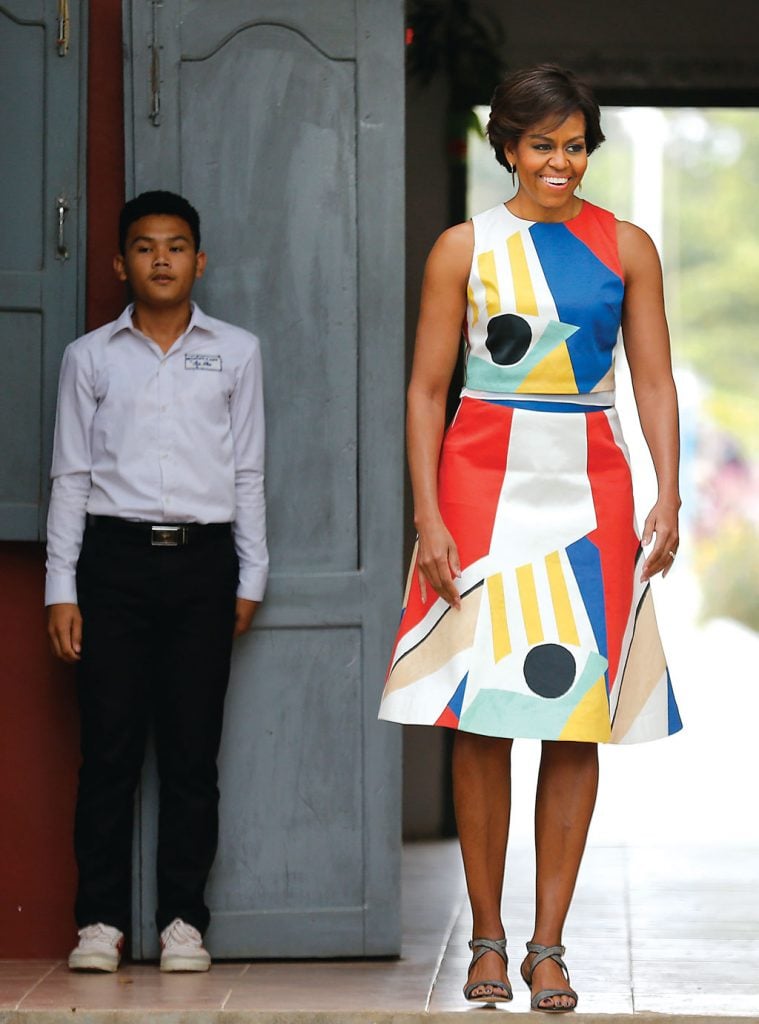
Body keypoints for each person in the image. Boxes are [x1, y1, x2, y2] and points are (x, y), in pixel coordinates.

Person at [379, 65, 682, 1011]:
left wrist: (667, 492)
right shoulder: (461, 248)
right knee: (481, 717)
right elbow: (427, 390)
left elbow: (655, 383)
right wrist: (427, 513)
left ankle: (547, 947)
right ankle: (485, 940)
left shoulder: (626, 247)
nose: (560, 161)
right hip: (476, 487)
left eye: (575, 143)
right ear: (506, 146)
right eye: (542, 143)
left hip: (591, 485)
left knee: (570, 714)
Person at [45, 190, 268, 973]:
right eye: (144, 247)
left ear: (198, 261)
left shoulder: (235, 352)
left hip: (204, 568)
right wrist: (60, 588)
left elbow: (247, 468)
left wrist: (251, 573)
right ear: (119, 263)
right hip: (112, 567)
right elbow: (70, 475)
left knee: (189, 754)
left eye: (177, 246)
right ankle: (99, 924)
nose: (162, 258)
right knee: (108, 751)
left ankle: (182, 924)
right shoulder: (91, 357)